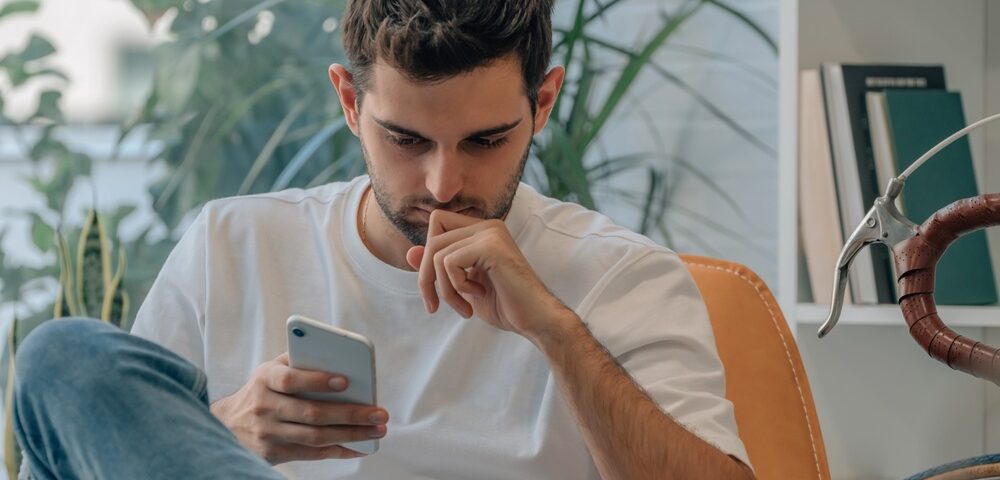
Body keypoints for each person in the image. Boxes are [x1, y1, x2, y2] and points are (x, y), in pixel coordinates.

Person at [13, 1, 754, 479]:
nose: (443, 184)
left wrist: (556, 331)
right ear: (349, 100)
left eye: (486, 140)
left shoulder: (624, 276)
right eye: (406, 139)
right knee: (62, 356)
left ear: (544, 102)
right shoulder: (232, 243)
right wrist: (224, 430)